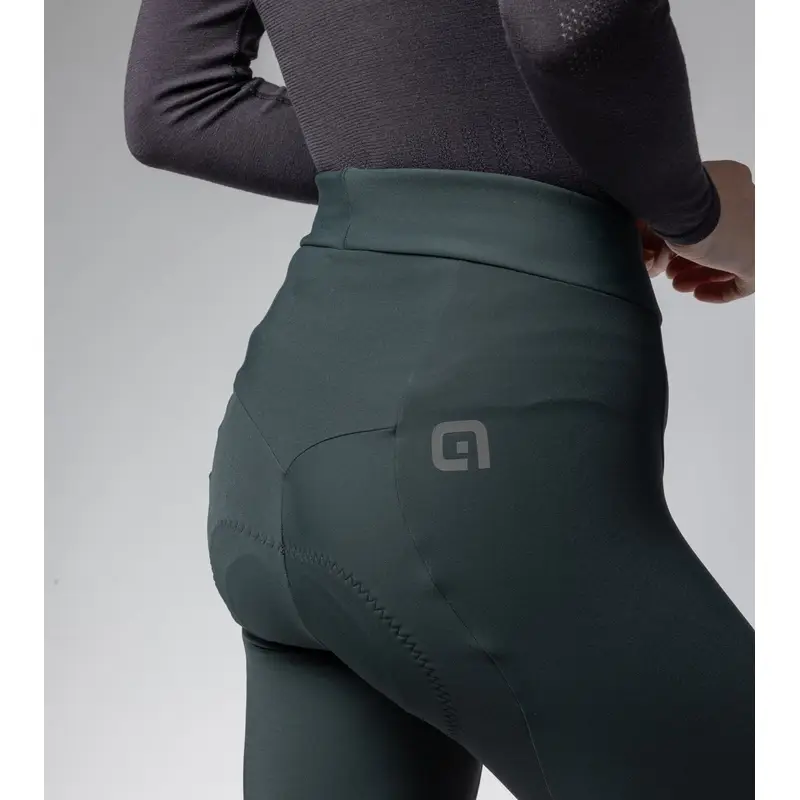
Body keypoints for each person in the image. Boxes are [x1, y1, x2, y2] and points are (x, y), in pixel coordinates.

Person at [124, 2, 755, 798]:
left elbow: (177, 104)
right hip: (481, 435)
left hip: (279, 431)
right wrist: (692, 210)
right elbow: (573, 21)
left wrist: (533, 165)